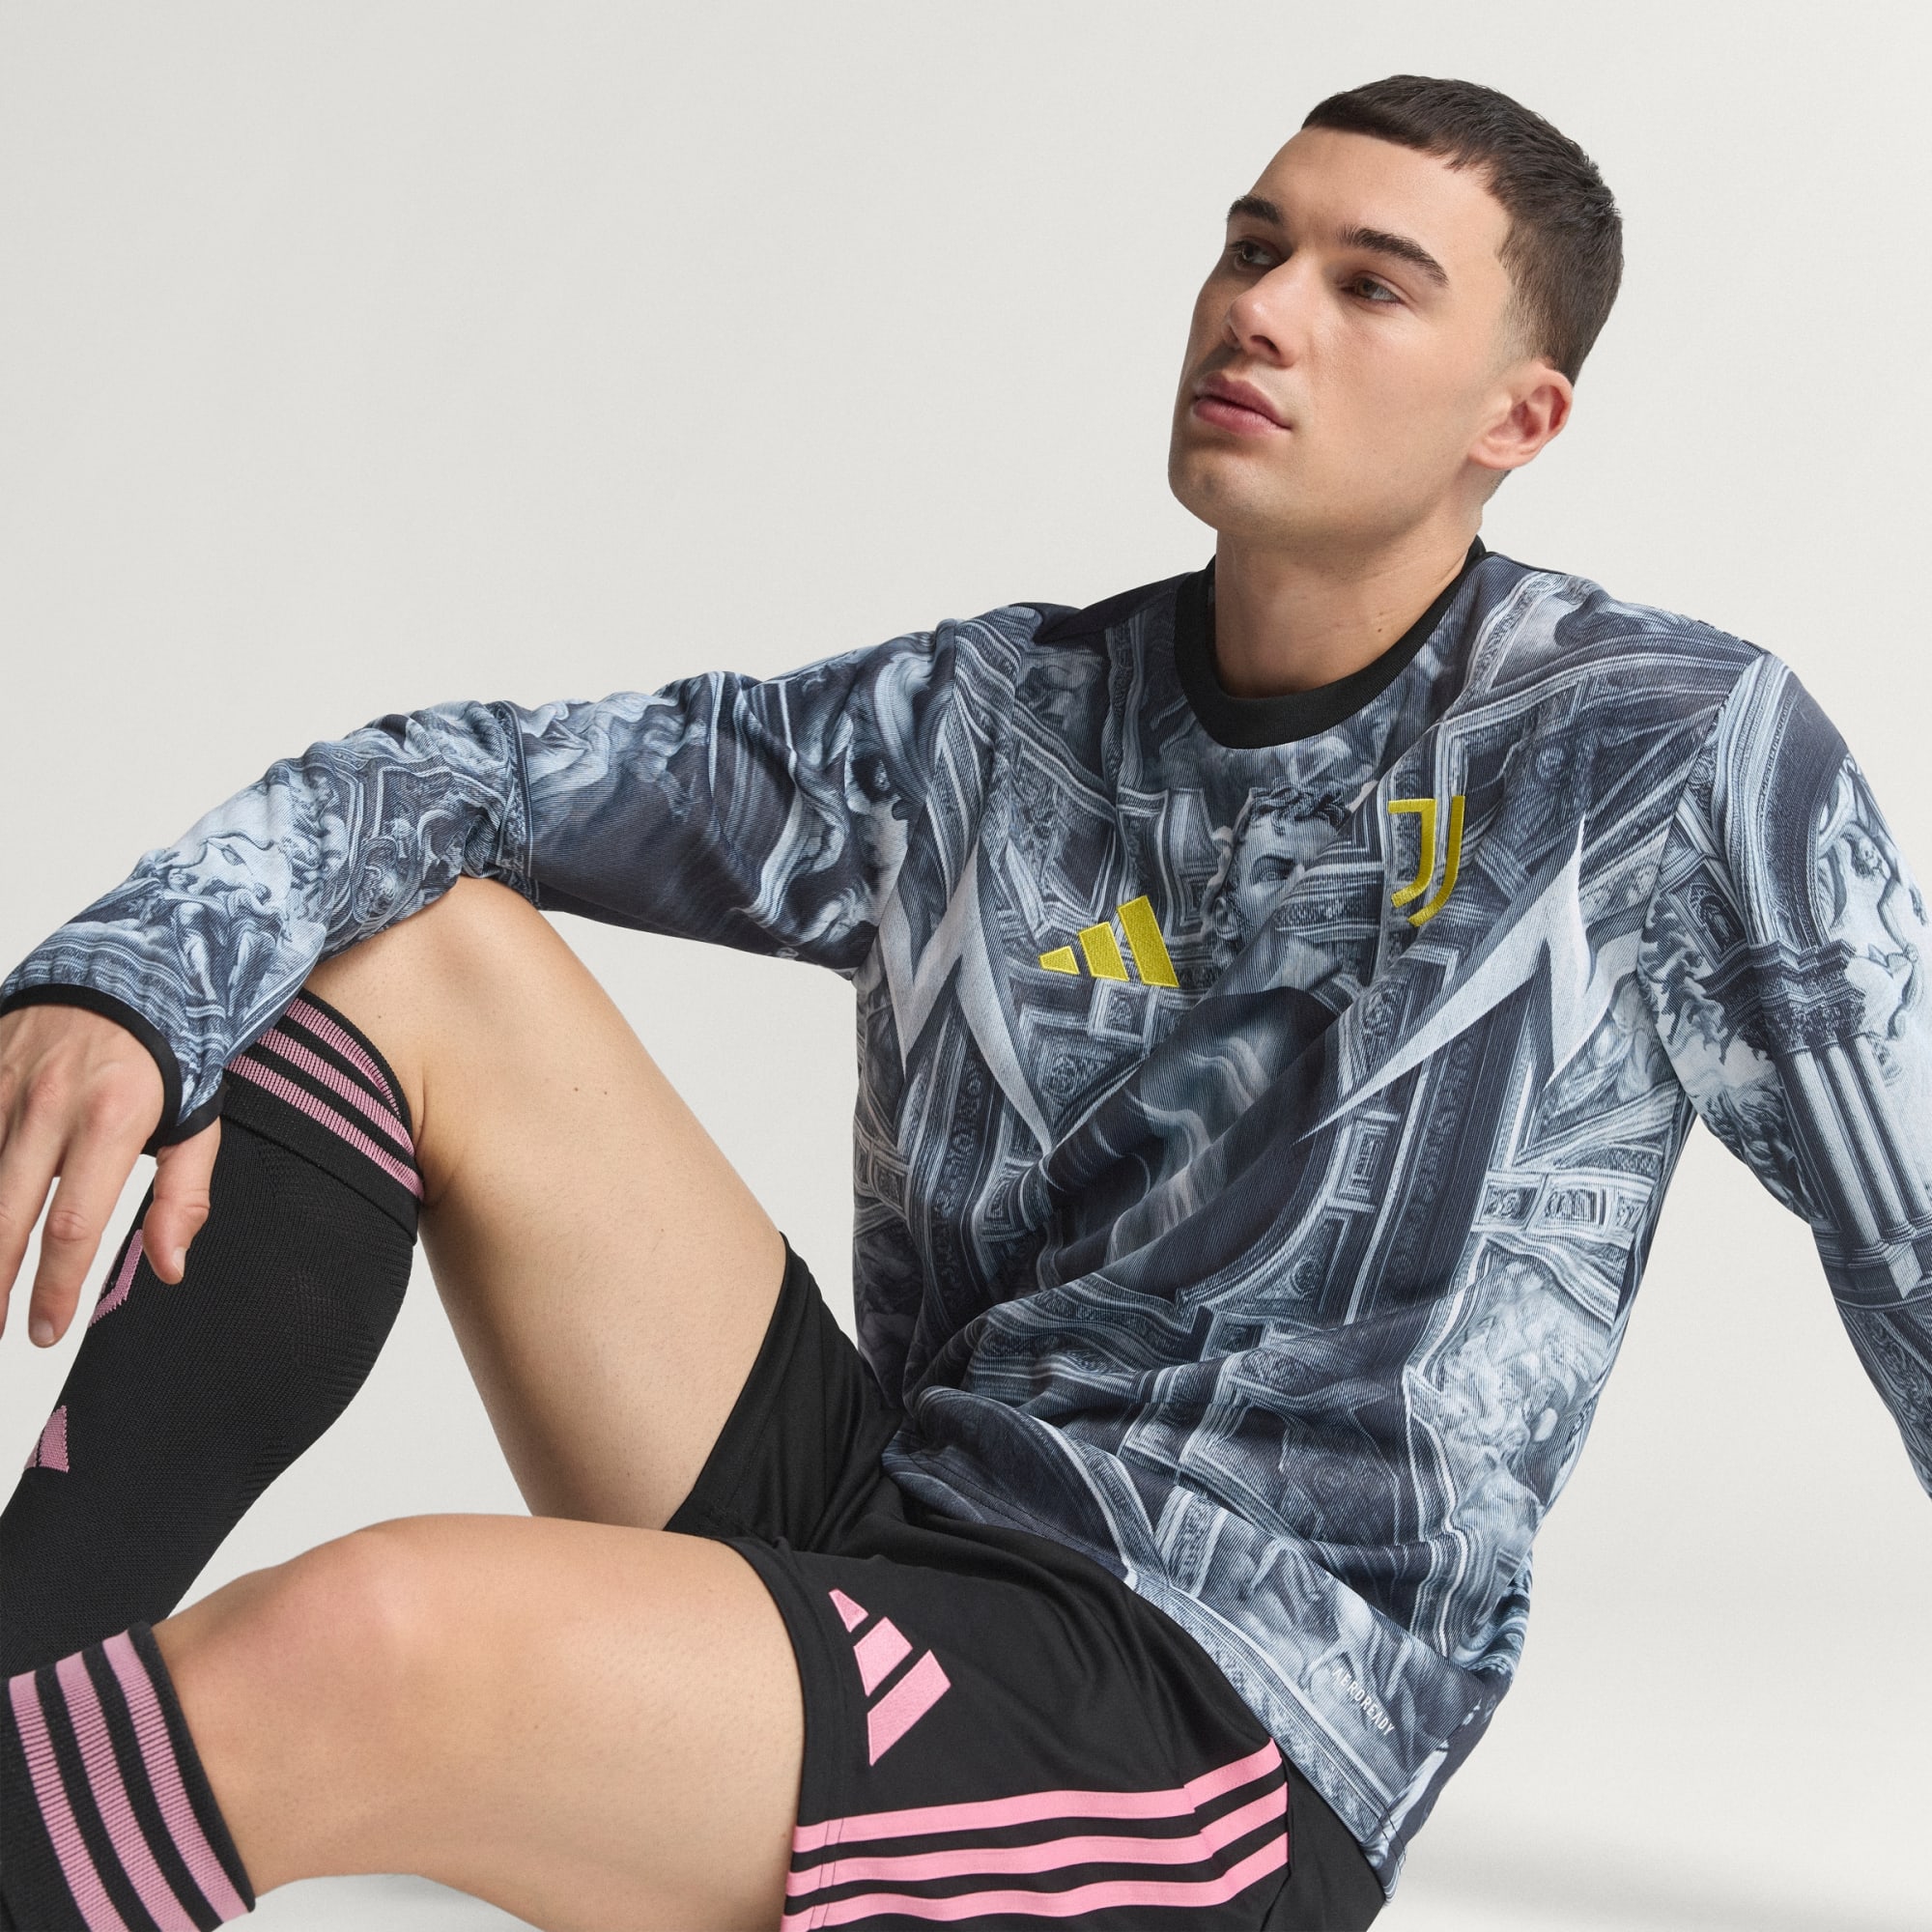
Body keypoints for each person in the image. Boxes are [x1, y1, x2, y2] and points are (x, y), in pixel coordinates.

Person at [2, 70, 1927, 1932]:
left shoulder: (1662, 755)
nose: (1262, 310)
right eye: (1252, 246)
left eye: (1369, 284)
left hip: (1197, 1717)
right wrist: (134, 994)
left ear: (1519, 415)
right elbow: (435, 784)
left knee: (373, 1641)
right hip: (891, 1517)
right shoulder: (991, 721)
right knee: (404, 945)